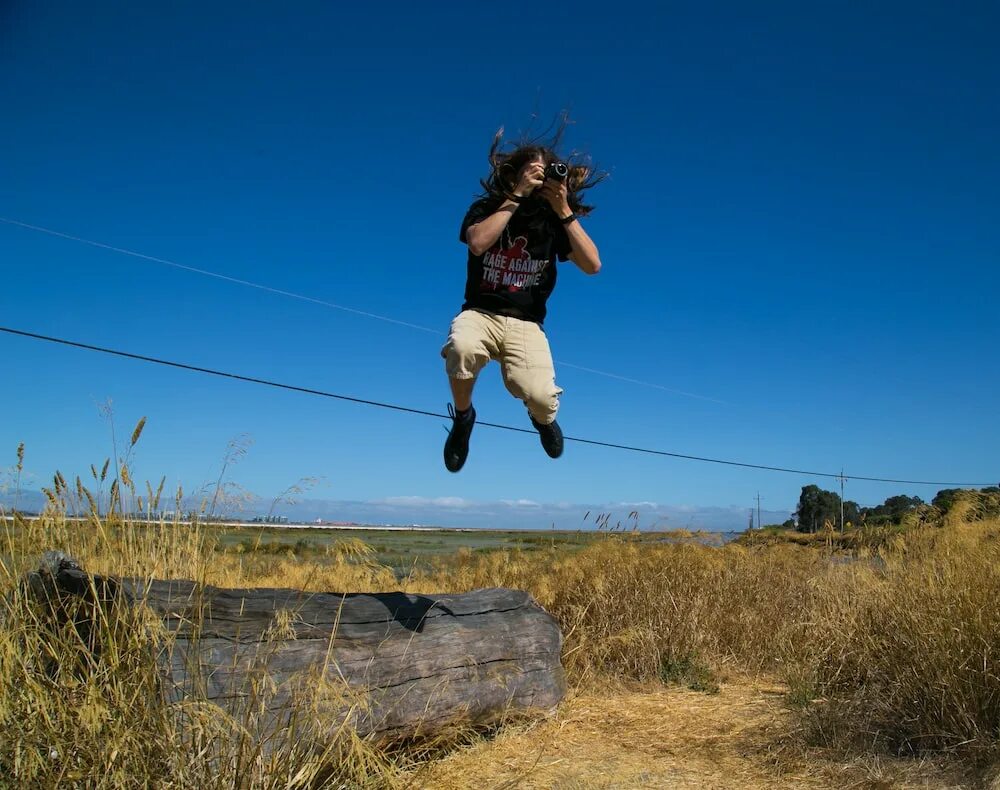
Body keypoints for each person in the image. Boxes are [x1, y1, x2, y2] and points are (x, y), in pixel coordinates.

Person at [441, 128, 605, 472]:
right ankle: (464, 418)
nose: (538, 179)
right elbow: (478, 243)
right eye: (532, 172)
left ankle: (543, 421)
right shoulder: (487, 207)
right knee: (462, 348)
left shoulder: (553, 221)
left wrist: (562, 208)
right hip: (481, 311)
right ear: (516, 173)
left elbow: (593, 265)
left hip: (526, 322)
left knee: (541, 396)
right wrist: (516, 195)